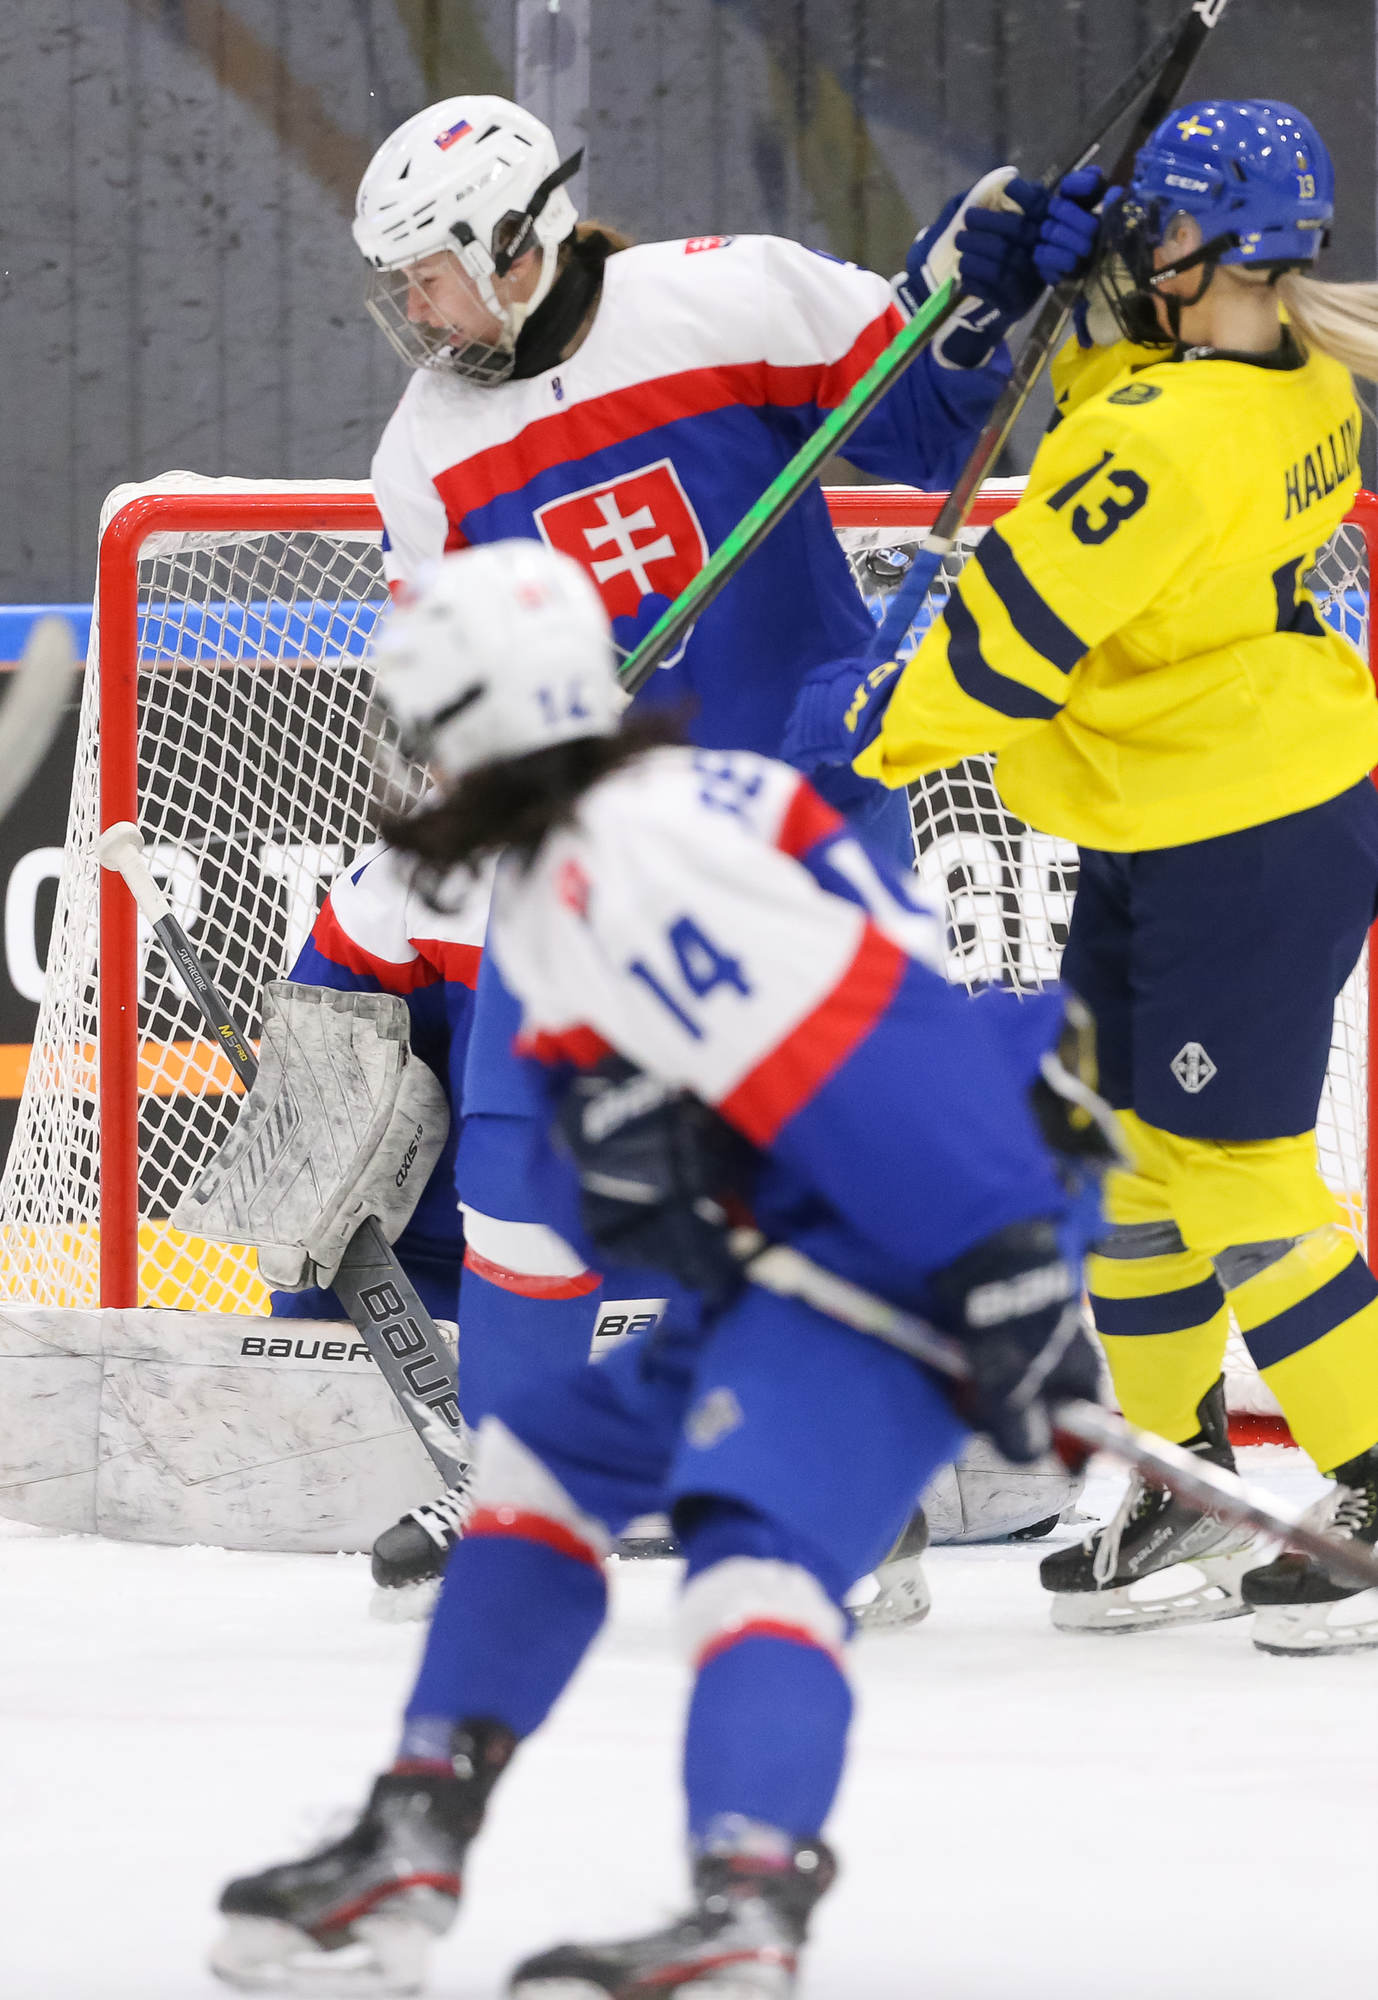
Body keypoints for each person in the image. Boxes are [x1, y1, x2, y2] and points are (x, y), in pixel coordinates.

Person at [211, 541, 1107, 1997]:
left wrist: (999, 1274)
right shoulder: (595, 845)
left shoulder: (641, 858)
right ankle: (412, 1837)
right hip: (870, 1213)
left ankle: (748, 1905)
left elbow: (885, 1053)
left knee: (746, 1554)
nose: (421, 773)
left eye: (433, 735)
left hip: (935, 1219)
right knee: (543, 1464)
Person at [281, 90, 1097, 1596]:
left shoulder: (730, 297)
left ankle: (848, 1504)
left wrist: (978, 289)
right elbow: (445, 696)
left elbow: (921, 417)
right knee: (522, 1178)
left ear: (508, 243)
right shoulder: (425, 459)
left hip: (799, 815)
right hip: (593, 853)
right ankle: (526, 1492)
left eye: (427, 270)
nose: (410, 306)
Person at [784, 100, 1378, 1654]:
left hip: (1240, 839)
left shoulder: (1168, 438)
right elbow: (1134, 438)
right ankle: (1179, 1471)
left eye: (1149, 234)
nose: (1131, 253)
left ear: (1220, 249)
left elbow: (1014, 636)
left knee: (1238, 1176)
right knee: (1125, 1152)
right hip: (1180, 809)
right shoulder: (1274, 374)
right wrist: (1090, 311)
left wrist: (869, 734)